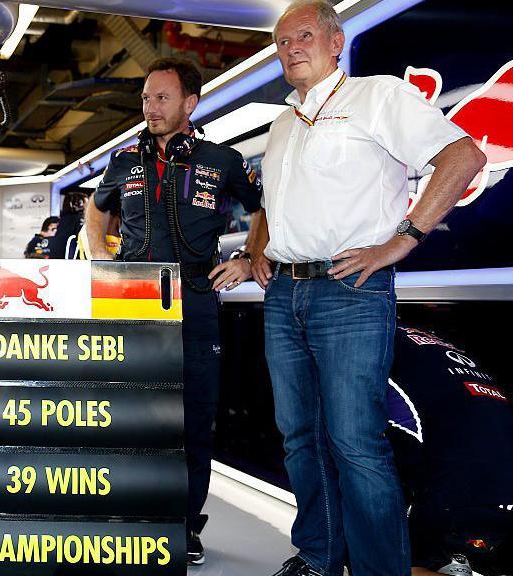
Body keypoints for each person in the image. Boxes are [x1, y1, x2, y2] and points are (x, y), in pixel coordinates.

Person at [249, 2, 488, 574]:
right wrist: (257, 248)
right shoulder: (283, 123)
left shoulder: (377, 97)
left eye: (303, 36)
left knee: (356, 444)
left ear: (336, 42)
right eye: (282, 42)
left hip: (350, 291)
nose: (291, 49)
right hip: (284, 295)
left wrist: (402, 239)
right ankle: (318, 557)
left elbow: (463, 156)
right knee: (299, 438)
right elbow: (270, 204)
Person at [83, 56, 264, 566]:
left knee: (194, 419)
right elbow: (96, 210)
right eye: (145, 98)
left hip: (197, 302)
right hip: (133, 301)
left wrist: (250, 259)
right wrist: (101, 258)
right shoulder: (124, 161)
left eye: (162, 98)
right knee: (128, 414)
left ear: (190, 103)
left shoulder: (221, 160)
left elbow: (262, 209)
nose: (151, 107)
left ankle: (186, 524)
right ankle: (130, 515)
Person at [388, 326, 513, 576]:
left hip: (462, 492)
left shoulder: (365, 345)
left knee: (383, 562)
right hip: (496, 475)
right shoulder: (431, 339)